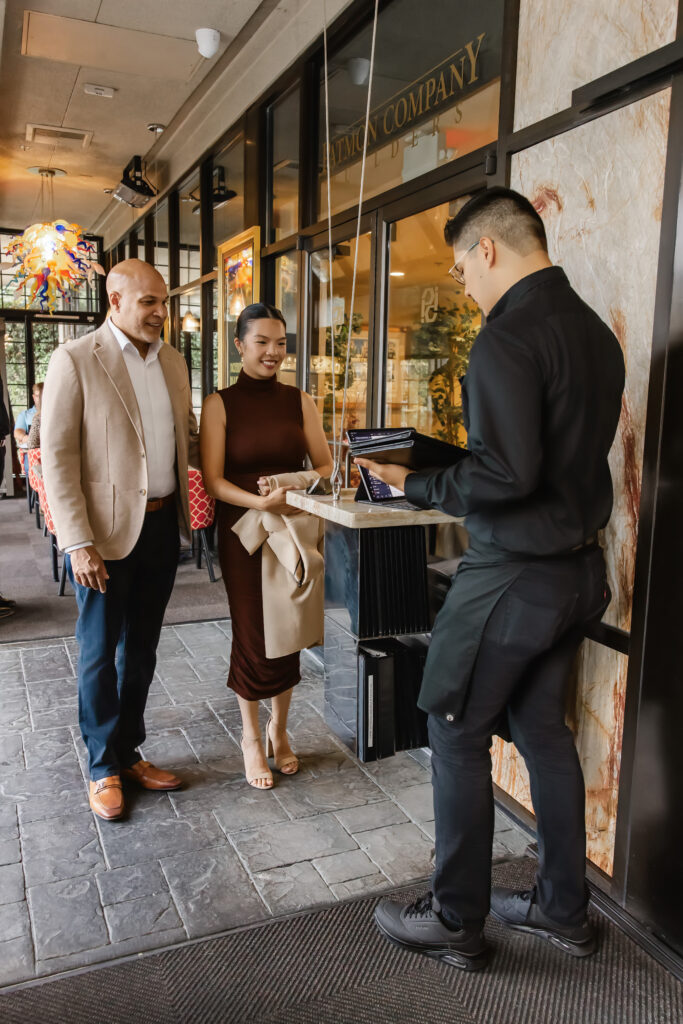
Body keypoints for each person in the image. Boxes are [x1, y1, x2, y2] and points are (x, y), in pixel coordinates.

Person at [358, 188, 625, 970]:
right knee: (543, 732)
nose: (461, 286)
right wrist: (450, 466)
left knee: (452, 727)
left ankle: (454, 920)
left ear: (488, 250)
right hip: (575, 572)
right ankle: (562, 910)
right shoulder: (593, 334)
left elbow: (506, 472)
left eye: (458, 267)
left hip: (512, 576)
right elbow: (541, 456)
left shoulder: (506, 338)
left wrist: (410, 484)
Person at [41, 259, 200, 822]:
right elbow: (56, 457)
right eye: (149, 302)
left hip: (159, 528)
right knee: (98, 652)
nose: (161, 312)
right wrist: (75, 540)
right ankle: (101, 765)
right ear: (115, 300)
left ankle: (128, 750)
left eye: (164, 302)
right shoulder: (77, 359)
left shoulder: (175, 363)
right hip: (102, 536)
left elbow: (188, 439)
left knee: (143, 650)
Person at [200, 303, 333, 789]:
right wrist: (263, 504)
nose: (274, 352)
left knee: (288, 629)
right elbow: (214, 481)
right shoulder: (219, 403)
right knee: (254, 633)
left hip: (292, 529)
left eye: (281, 343)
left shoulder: (301, 400)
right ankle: (251, 738)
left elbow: (324, 468)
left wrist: (288, 491)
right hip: (244, 534)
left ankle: (280, 729)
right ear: (240, 345)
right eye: (262, 342)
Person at [14, 381, 43, 475]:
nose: (42, 399)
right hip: (34, 453)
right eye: (39, 396)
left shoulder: (56, 413)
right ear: (34, 397)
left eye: (44, 396)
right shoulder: (26, 415)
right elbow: (18, 432)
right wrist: (26, 438)